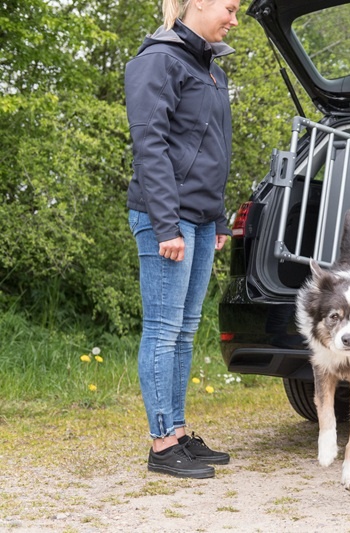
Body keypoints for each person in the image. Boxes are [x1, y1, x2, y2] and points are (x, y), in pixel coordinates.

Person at [125, 0, 240, 479]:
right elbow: (149, 144)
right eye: (230, 8)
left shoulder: (210, 68)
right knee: (163, 329)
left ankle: (178, 430)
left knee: (185, 330)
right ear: (197, 2)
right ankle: (160, 443)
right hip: (164, 218)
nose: (235, 19)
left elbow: (212, 151)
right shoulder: (158, 59)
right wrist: (166, 224)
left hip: (197, 216)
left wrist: (216, 219)